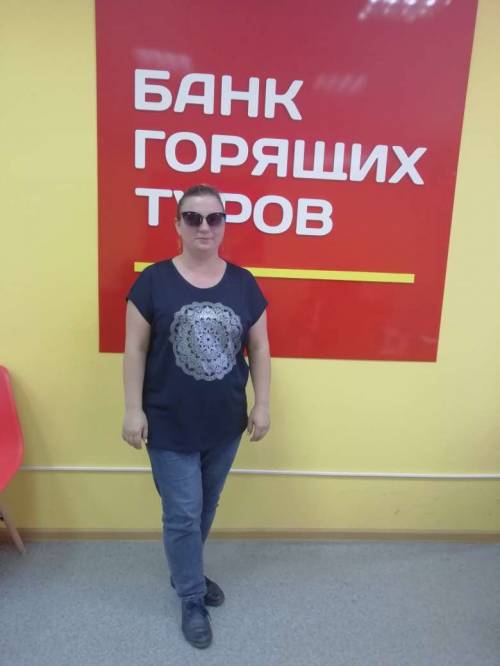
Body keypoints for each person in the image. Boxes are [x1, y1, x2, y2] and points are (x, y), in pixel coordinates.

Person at [121, 184, 271, 649]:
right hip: (168, 421)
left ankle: (185, 570)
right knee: (183, 514)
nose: (204, 227)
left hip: (225, 423)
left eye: (214, 218)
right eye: (193, 217)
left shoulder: (243, 282)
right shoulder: (152, 282)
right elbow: (135, 349)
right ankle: (191, 597)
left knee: (205, 506)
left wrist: (262, 403)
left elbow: (260, 347)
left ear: (224, 224)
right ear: (177, 224)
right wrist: (132, 409)